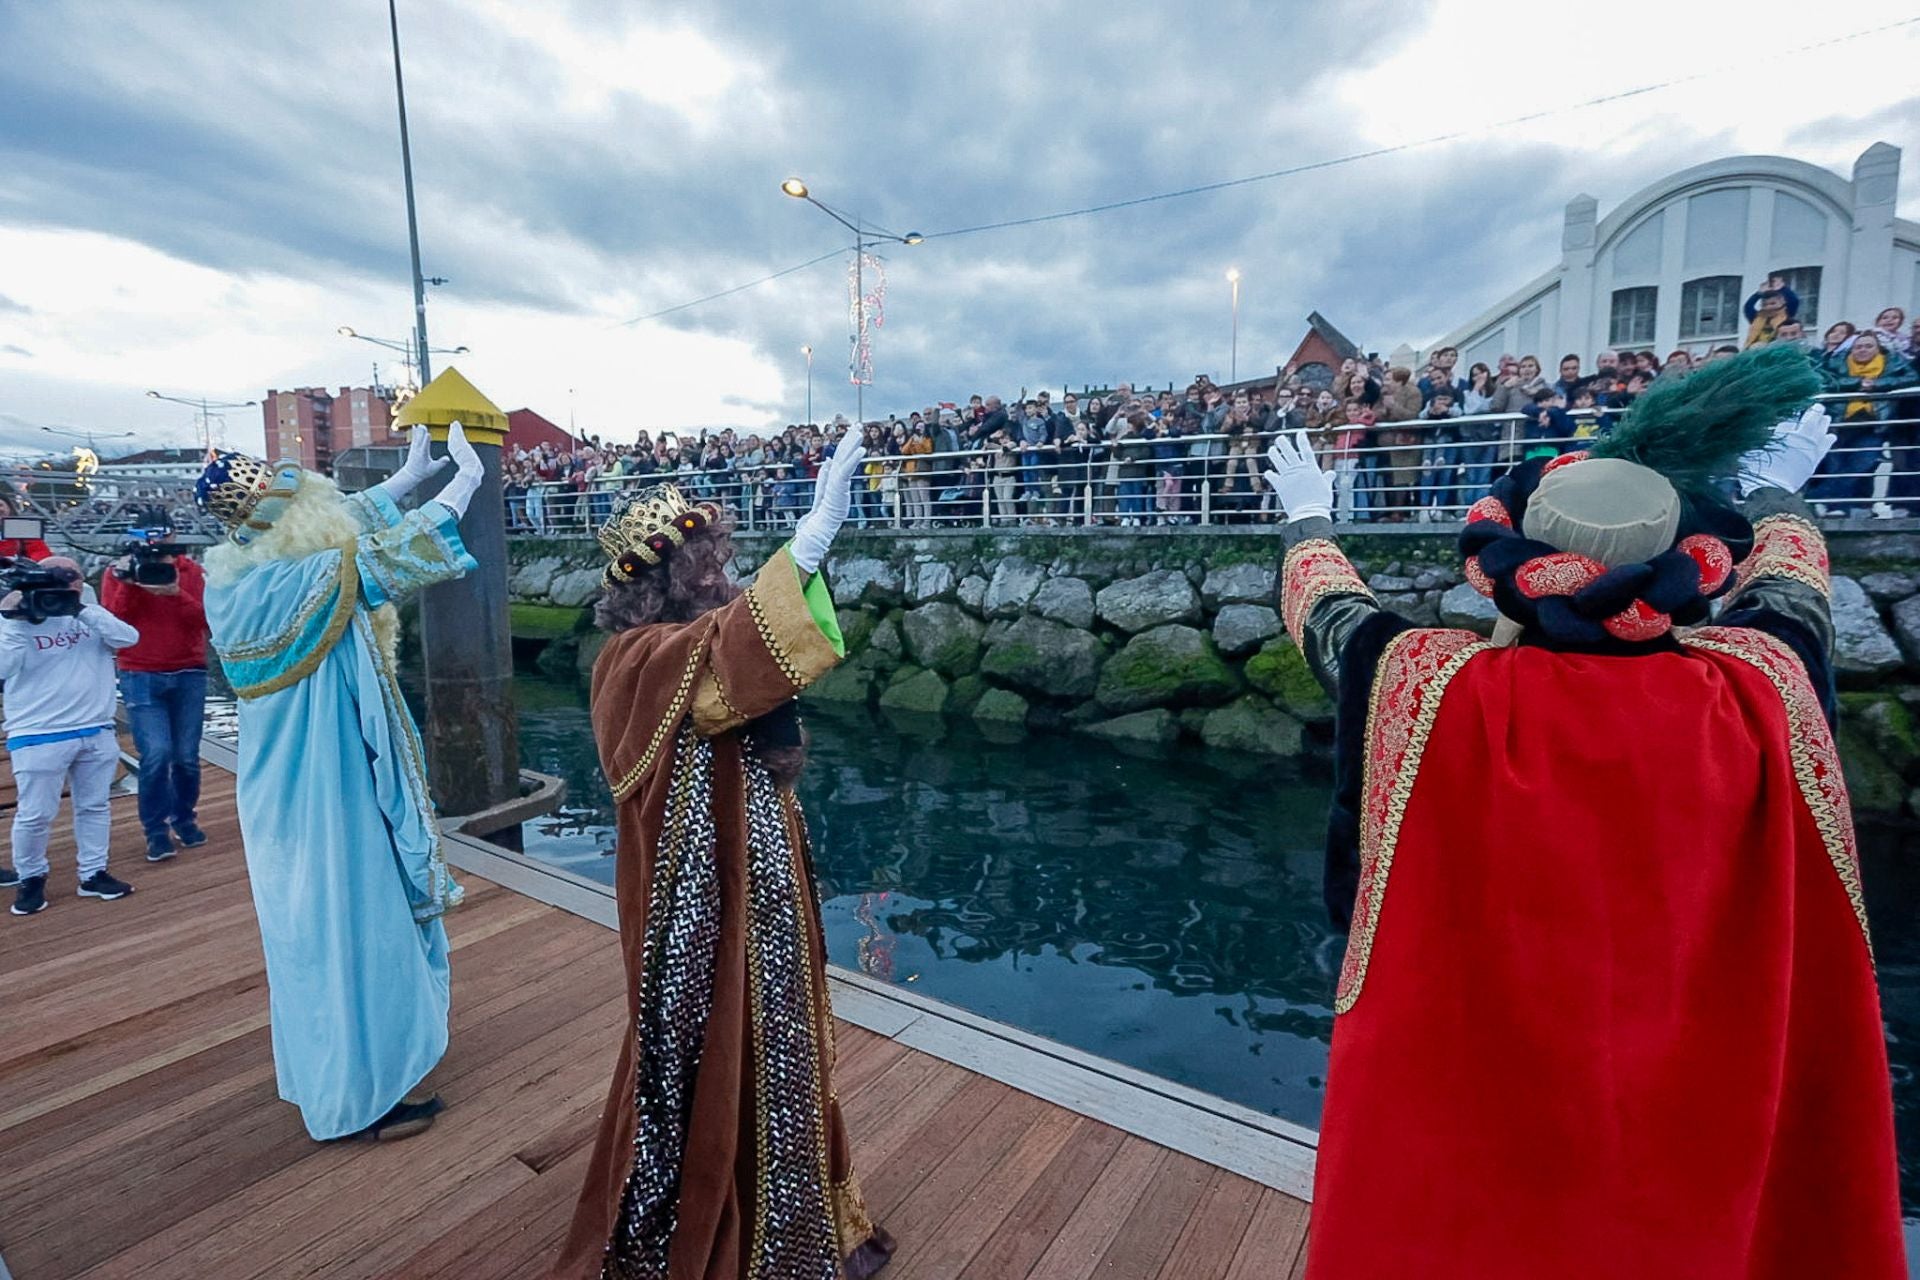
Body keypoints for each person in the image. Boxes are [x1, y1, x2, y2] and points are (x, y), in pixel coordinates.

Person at [1267, 344, 1905, 1278]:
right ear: (1683, 561)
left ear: (1509, 557)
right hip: (1700, 1093)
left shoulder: (1429, 686)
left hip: (1478, 1088)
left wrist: (1308, 517)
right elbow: (1791, 594)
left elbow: (1329, 612)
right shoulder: (1763, 686)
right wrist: (1779, 498)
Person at [549, 442, 894, 1280]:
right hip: (698, 898)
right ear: (661, 576)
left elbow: (746, 669)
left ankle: (800, 1207)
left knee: (778, 1028)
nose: (718, 571)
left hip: (759, 871)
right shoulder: (635, 659)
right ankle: (727, 1221)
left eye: (720, 557)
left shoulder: (692, 636)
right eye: (703, 561)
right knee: (715, 1033)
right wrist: (810, 541)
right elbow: (723, 661)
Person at [194, 424, 485, 1142]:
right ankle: (360, 1100)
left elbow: (337, 529)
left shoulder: (238, 579)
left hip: (278, 788)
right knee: (354, 928)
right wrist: (463, 487)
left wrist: (409, 477)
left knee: (306, 939)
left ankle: (327, 1070)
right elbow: (375, 560)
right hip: (329, 782)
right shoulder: (301, 579)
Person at [0, 557, 139, 914]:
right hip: (38, 732)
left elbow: (129, 638)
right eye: (55, 577)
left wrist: (81, 608)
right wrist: (11, 620)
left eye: (71, 575)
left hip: (95, 727)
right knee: (35, 813)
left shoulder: (88, 612)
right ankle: (31, 878)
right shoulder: (18, 618)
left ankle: (93, 873)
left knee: (94, 807)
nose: (64, 582)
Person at [100, 510, 210, 862]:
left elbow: (205, 621)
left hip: (188, 670)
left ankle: (184, 818)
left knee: (187, 758)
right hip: (141, 672)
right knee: (157, 755)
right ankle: (155, 830)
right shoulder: (118, 573)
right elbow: (114, 624)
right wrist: (129, 583)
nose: (158, 548)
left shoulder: (192, 571)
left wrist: (175, 592)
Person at [0, 493, 52, 562]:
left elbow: (40, 552)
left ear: (9, 507)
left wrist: (25, 563)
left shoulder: (22, 527)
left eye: (0, 505)